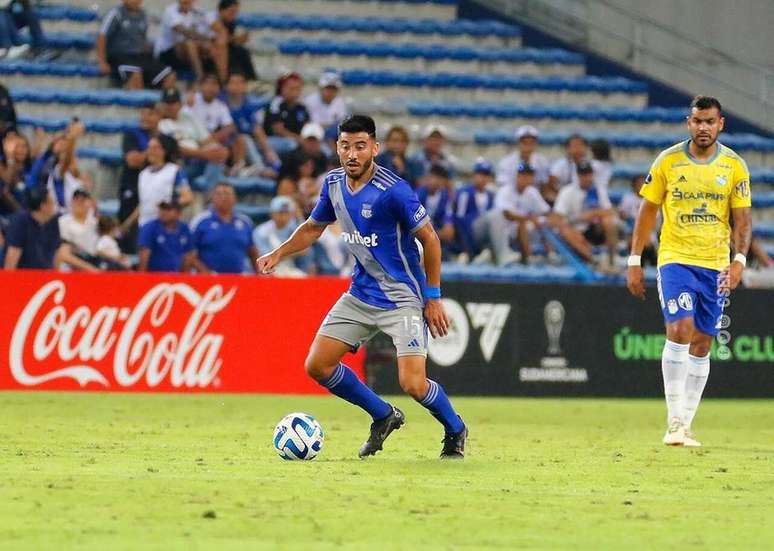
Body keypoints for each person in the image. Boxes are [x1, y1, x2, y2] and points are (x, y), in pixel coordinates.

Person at [256, 115, 468, 459]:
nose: (351, 154)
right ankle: (383, 415)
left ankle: (455, 428)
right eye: (344, 146)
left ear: (374, 148)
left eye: (359, 146)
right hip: (360, 294)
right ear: (337, 148)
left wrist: (433, 298)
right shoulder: (334, 184)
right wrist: (278, 253)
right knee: (317, 366)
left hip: (402, 299)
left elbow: (430, 240)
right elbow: (313, 227)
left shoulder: (394, 191)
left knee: (413, 384)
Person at [627, 96, 752, 447]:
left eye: (710, 121)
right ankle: (674, 420)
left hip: (715, 264)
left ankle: (686, 425)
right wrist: (635, 260)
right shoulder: (668, 161)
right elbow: (647, 212)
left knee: (703, 341)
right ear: (688, 122)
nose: (703, 127)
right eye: (697, 121)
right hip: (676, 258)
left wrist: (739, 260)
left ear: (720, 124)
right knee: (680, 329)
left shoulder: (734, 166)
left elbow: (742, 219)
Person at [474, 162, 553, 266]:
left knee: (545, 223)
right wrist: (529, 218)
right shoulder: (506, 190)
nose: (526, 178)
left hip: (519, 231)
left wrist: (541, 220)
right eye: (523, 175)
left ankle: (551, 255)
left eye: (529, 175)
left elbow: (547, 212)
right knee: (521, 223)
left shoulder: (532, 192)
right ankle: (524, 258)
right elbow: (505, 214)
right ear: (517, 176)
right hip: (500, 233)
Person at [3, 186, 96, 271]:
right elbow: (11, 259)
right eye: (52, 202)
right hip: (24, 276)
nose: (55, 205)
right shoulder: (21, 222)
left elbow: (57, 254)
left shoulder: (53, 221)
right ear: (43, 206)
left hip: (45, 276)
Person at [158, 86, 228, 190]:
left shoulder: (188, 118)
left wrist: (216, 150)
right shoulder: (160, 124)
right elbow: (174, 149)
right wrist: (202, 154)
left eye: (173, 103)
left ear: (180, 104)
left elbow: (207, 139)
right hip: (179, 162)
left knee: (218, 153)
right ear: (161, 105)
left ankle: (210, 196)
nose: (170, 106)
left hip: (199, 159)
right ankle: (210, 194)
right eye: (167, 103)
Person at [97, 0, 175, 90]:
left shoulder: (143, 15)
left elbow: (142, 38)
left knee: (169, 75)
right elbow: (102, 36)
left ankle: (162, 102)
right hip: (121, 55)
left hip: (140, 55)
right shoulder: (116, 13)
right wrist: (102, 61)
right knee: (135, 75)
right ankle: (137, 101)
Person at [553, 160, 618, 266]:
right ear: (578, 175)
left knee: (610, 222)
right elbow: (557, 217)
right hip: (574, 228)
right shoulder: (567, 191)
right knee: (565, 230)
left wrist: (591, 214)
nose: (586, 177)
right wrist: (578, 219)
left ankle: (612, 261)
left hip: (594, 228)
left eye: (588, 174)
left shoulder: (598, 190)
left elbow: (609, 211)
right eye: (583, 174)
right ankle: (594, 261)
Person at [184, 74, 246, 173]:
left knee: (240, 140)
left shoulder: (220, 105)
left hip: (211, 136)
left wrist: (213, 138)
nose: (211, 88)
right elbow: (184, 120)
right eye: (207, 84)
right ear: (201, 86)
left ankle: (237, 170)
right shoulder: (192, 100)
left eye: (214, 85)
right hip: (193, 134)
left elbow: (230, 126)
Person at [190, 181, 256, 273]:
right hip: (208, 281)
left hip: (238, 280)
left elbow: (253, 253)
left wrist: (260, 275)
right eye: (219, 194)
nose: (224, 198)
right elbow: (190, 254)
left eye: (227, 194)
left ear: (235, 198)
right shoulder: (201, 221)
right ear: (212, 198)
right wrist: (207, 273)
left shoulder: (245, 222)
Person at [154, 0, 226, 82]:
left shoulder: (197, 11)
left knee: (216, 45)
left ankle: (222, 79)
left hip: (188, 50)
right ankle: (200, 76)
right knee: (190, 44)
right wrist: (206, 39)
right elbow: (184, 31)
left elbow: (212, 27)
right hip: (167, 51)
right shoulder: (170, 11)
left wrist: (219, 34)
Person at [224, 72, 279, 176]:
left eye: (240, 83)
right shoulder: (223, 103)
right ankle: (260, 169)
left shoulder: (248, 104)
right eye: (233, 83)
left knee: (272, 145)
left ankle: (276, 165)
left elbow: (256, 128)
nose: (237, 86)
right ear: (226, 86)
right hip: (229, 143)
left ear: (245, 85)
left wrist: (268, 150)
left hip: (247, 143)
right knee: (245, 139)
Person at [135, 136, 192, 227]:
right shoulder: (143, 174)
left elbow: (187, 197)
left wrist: (168, 207)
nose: (150, 151)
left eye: (155, 148)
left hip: (166, 225)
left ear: (165, 150)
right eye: (149, 148)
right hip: (145, 225)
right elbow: (143, 204)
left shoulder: (174, 171)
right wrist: (126, 225)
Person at [253, 195, 309, 277]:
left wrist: (280, 255)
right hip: (269, 271)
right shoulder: (262, 231)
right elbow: (265, 258)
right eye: (280, 213)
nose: (283, 217)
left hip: (290, 269)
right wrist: (291, 252)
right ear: (272, 213)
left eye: (287, 213)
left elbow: (305, 249)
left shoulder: (294, 228)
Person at [452, 159, 495, 263]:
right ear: (474, 175)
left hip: (483, 235)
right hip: (469, 233)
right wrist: (466, 248)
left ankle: (486, 252)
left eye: (486, 175)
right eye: (480, 174)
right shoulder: (465, 193)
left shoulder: (491, 195)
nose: (483, 178)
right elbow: (459, 219)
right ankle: (471, 253)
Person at [137, 198, 194, 272]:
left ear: (178, 213)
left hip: (177, 277)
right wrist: (142, 278)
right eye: (162, 209)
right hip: (154, 276)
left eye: (168, 209)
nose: (163, 212)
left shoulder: (184, 228)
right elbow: (144, 255)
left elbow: (188, 255)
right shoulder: (150, 227)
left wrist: (184, 278)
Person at [260, 72, 311, 150]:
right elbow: (278, 130)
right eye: (291, 88)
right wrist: (299, 139)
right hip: (273, 140)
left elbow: (307, 128)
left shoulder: (301, 107)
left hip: (297, 139)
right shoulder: (275, 104)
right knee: (292, 145)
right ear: (282, 88)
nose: (295, 92)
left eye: (297, 88)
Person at [209, 0, 256, 80]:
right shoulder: (212, 19)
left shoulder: (231, 23)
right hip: (213, 49)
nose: (233, 15)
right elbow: (220, 39)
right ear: (221, 10)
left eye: (235, 12)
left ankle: (251, 80)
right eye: (231, 12)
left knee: (243, 52)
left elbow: (230, 40)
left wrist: (241, 39)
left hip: (226, 48)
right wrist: (236, 39)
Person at [619, 174, 657, 266]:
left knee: (647, 241)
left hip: (648, 231)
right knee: (633, 240)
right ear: (634, 186)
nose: (641, 186)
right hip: (631, 229)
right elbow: (622, 214)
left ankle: (651, 264)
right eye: (639, 184)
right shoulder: (628, 198)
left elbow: (655, 221)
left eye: (643, 184)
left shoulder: (652, 200)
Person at [57, 188, 100, 269]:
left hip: (94, 262)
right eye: (76, 200)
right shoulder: (63, 222)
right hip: (71, 266)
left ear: (90, 203)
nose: (79, 203)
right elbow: (63, 254)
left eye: (83, 200)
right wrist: (90, 269)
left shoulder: (94, 223)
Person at [416, 164, 454, 252]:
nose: (434, 181)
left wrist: (448, 225)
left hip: (437, 229)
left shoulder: (445, 196)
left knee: (451, 231)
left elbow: (448, 214)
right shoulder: (418, 194)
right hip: (421, 229)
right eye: (432, 177)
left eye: (438, 178)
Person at [546, 133, 588, 204]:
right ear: (567, 149)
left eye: (581, 145)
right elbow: (551, 184)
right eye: (575, 146)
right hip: (563, 198)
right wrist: (565, 196)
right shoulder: (560, 165)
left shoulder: (589, 165)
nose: (578, 149)